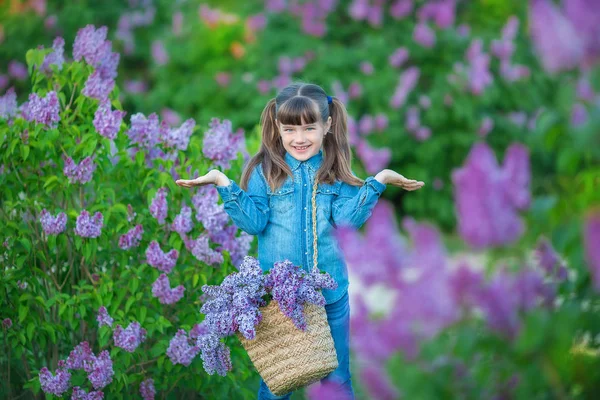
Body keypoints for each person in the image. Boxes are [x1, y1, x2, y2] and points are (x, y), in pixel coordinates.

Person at [176, 82, 424, 399]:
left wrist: (378, 181)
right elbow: (254, 223)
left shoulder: (335, 171)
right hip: (282, 299)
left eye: (309, 128)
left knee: (338, 380)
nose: (299, 138)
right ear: (278, 127)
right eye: (290, 129)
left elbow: (347, 222)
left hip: (331, 294)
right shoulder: (265, 171)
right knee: (278, 384)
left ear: (328, 125)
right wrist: (223, 183)